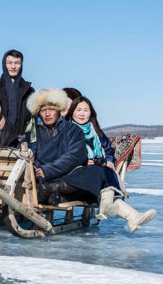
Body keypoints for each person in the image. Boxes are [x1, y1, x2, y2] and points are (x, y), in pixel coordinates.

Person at [66, 96, 156, 232]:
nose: (82, 113)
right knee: (105, 172)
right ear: (72, 112)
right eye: (78, 110)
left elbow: (108, 150)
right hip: (77, 172)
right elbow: (66, 153)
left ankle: (132, 217)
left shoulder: (95, 131)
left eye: (86, 110)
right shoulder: (67, 130)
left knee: (106, 169)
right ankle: (119, 211)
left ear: (91, 113)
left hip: (97, 172)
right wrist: (84, 161)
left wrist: (109, 161)